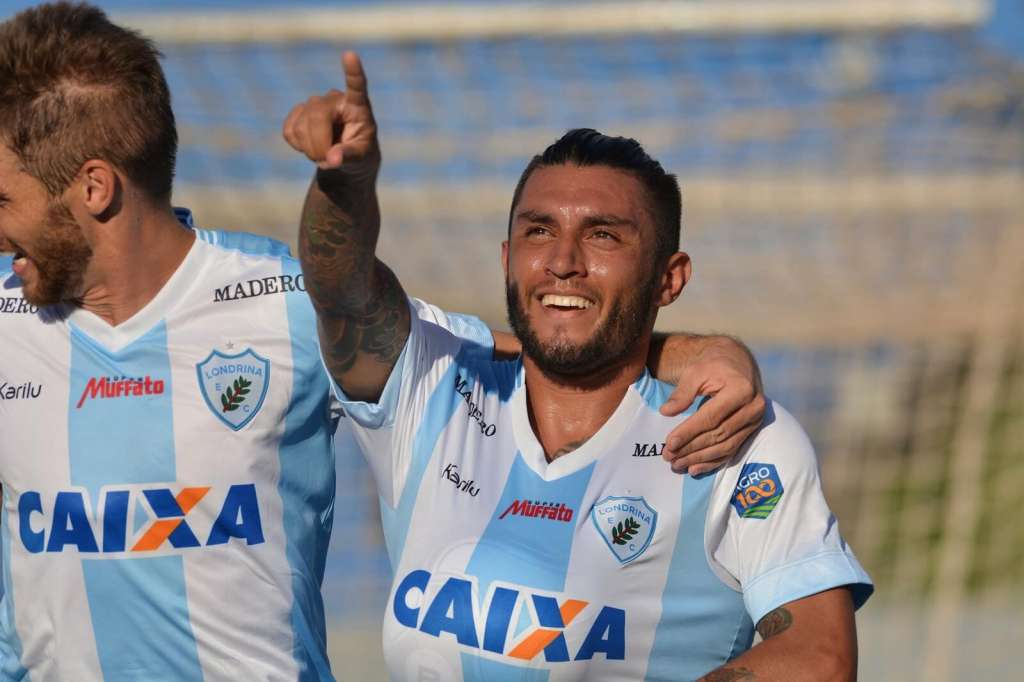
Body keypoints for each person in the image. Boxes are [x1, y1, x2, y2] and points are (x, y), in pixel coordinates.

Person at [0, 3, 765, 679]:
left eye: (5, 198)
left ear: (95, 188)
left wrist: (700, 352)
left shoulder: (280, 303)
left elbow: (542, 351)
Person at [284, 52, 873, 681]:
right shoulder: (436, 383)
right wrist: (346, 182)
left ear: (668, 279)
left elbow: (819, 657)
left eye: (603, 236)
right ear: (509, 256)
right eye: (539, 232)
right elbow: (342, 288)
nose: (562, 260)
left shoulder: (736, 436)